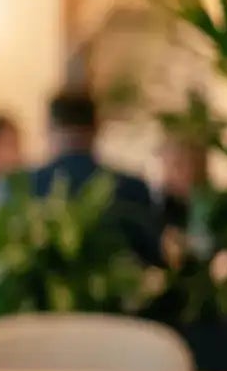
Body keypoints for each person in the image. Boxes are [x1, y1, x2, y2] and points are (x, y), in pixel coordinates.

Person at [22, 91, 160, 265]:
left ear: (49, 128)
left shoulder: (24, 186)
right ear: (97, 128)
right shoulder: (133, 188)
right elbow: (151, 260)